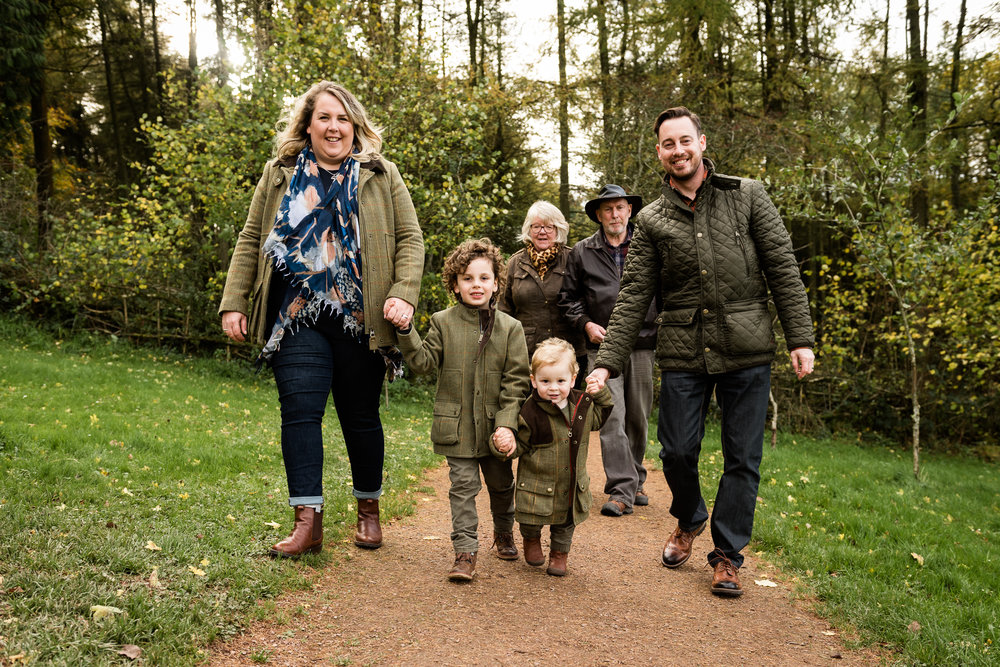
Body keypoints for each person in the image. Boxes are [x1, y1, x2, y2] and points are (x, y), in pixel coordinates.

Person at [588, 106, 815, 597]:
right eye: (668, 145)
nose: (679, 151)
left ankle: (727, 555)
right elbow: (633, 296)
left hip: (748, 346)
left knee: (742, 458)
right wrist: (607, 362)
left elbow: (782, 268)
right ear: (659, 153)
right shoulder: (650, 219)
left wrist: (800, 337)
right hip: (684, 350)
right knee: (677, 450)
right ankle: (689, 516)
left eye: (685, 141)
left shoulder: (749, 196)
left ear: (702, 142)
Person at [219, 81, 424, 558]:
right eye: (324, 118)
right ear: (307, 126)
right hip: (296, 314)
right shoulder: (279, 173)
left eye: (343, 119)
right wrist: (235, 300)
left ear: (355, 126)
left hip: (362, 317)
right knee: (300, 413)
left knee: (360, 417)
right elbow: (252, 237)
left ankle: (368, 511)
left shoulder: (381, 173)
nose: (334, 127)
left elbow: (411, 239)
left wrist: (404, 294)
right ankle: (307, 523)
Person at [395, 238, 530, 582]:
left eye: (484, 278)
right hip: (455, 429)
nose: (476, 285)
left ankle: (503, 532)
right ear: (455, 284)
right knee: (463, 487)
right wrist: (406, 331)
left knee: (501, 486)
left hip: (495, 429)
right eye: (468, 278)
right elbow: (423, 363)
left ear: (497, 283)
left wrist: (507, 424)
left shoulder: (511, 329)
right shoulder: (442, 322)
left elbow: (516, 383)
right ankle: (465, 551)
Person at [559, 184, 657, 518]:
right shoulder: (582, 252)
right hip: (600, 349)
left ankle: (636, 478)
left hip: (643, 342)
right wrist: (585, 323)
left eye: (620, 208)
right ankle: (621, 490)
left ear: (630, 211)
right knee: (612, 417)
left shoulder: (648, 245)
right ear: (598, 215)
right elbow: (568, 298)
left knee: (638, 417)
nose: (614, 215)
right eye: (607, 210)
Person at [491, 338, 612, 577]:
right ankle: (531, 539)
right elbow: (521, 445)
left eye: (560, 381)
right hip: (537, 482)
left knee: (566, 522)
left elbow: (598, 419)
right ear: (533, 381)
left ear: (573, 380)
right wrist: (504, 446)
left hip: (569, 482)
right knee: (530, 517)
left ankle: (559, 554)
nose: (553, 388)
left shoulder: (582, 405)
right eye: (545, 381)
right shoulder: (529, 410)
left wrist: (601, 394)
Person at [499, 201, 586, 384]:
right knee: (530, 409)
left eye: (549, 226)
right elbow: (504, 309)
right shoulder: (515, 263)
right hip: (527, 352)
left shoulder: (573, 258)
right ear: (528, 230)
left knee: (567, 407)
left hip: (569, 351)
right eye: (536, 226)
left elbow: (587, 301)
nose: (542, 232)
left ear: (559, 229)